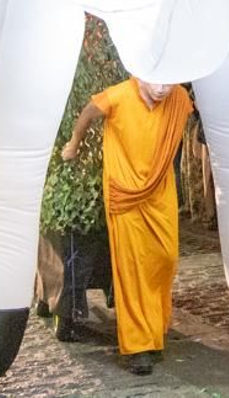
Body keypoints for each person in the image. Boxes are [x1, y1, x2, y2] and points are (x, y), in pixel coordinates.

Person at [61, 77, 193, 376]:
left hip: (160, 193)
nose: (162, 88)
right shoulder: (118, 96)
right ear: (139, 73)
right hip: (125, 195)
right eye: (156, 82)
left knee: (165, 260)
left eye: (168, 82)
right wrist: (74, 144)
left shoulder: (179, 99)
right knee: (133, 268)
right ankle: (138, 346)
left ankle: (154, 330)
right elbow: (88, 112)